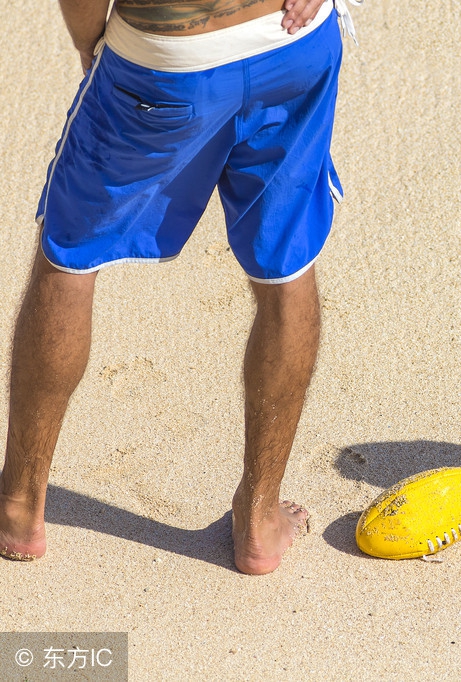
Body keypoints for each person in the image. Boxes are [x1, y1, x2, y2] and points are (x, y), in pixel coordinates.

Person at [0, 0, 354, 575]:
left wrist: (93, 43)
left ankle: (18, 507)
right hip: (294, 44)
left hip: (167, 57)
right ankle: (261, 521)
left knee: (69, 254)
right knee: (285, 267)